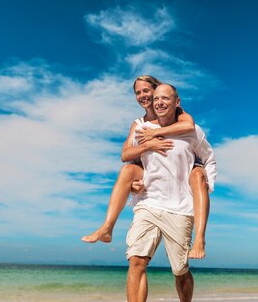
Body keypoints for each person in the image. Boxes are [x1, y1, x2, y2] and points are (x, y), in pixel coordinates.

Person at [115, 83, 216, 302]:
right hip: (148, 204)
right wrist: (136, 184)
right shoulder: (142, 130)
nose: (159, 102)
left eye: (165, 98)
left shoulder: (191, 131)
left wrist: (207, 183)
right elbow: (132, 161)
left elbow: (209, 159)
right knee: (136, 260)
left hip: (180, 207)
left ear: (176, 101)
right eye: (156, 98)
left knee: (180, 269)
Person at [81, 76, 211, 259]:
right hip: (149, 181)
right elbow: (125, 155)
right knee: (127, 170)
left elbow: (189, 125)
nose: (143, 96)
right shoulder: (139, 124)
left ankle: (200, 239)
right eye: (138, 92)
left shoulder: (180, 115)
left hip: (180, 181)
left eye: (147, 91)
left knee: (180, 268)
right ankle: (107, 227)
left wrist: (156, 133)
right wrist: (148, 145)